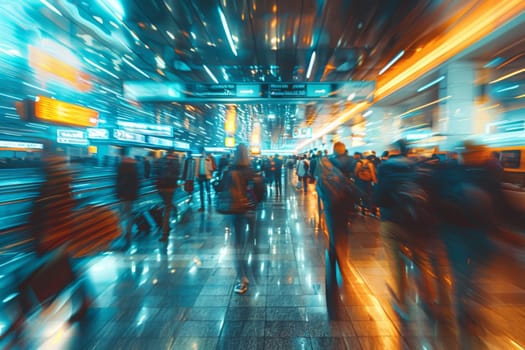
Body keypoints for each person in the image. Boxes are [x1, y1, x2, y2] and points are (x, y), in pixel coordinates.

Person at [319, 142, 357, 281]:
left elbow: (320, 184)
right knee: (344, 230)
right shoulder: (353, 162)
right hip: (347, 202)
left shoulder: (327, 162)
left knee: (333, 230)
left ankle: (335, 255)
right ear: (344, 149)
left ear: (334, 150)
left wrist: (324, 199)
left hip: (331, 202)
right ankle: (343, 259)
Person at [228, 144, 259, 294]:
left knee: (238, 244)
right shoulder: (251, 170)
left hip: (236, 209)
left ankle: (243, 278)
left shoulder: (231, 169)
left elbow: (222, 188)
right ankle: (252, 267)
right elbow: (259, 189)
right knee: (250, 240)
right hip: (250, 209)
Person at [116, 147, 140, 246]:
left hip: (123, 194)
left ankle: (120, 233)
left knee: (121, 215)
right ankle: (128, 233)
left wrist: (118, 193)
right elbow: (137, 181)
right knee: (129, 214)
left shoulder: (121, 165)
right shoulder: (134, 165)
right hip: (131, 194)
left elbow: (119, 181)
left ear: (121, 155)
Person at [156, 150, 181, 242]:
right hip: (170, 188)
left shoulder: (159, 161)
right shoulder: (175, 162)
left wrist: (157, 186)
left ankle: (165, 228)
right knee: (167, 208)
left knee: (166, 206)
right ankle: (165, 232)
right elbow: (178, 174)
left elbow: (155, 173)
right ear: (172, 154)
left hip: (161, 188)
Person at [194, 147, 214, 211]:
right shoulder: (197, 159)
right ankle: (202, 206)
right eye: (200, 151)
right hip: (200, 177)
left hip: (207, 176)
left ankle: (209, 201)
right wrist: (196, 176)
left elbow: (211, 168)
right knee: (201, 192)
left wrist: (211, 175)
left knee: (207, 190)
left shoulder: (208, 159)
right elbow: (195, 168)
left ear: (203, 151)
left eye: (201, 151)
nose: (201, 153)